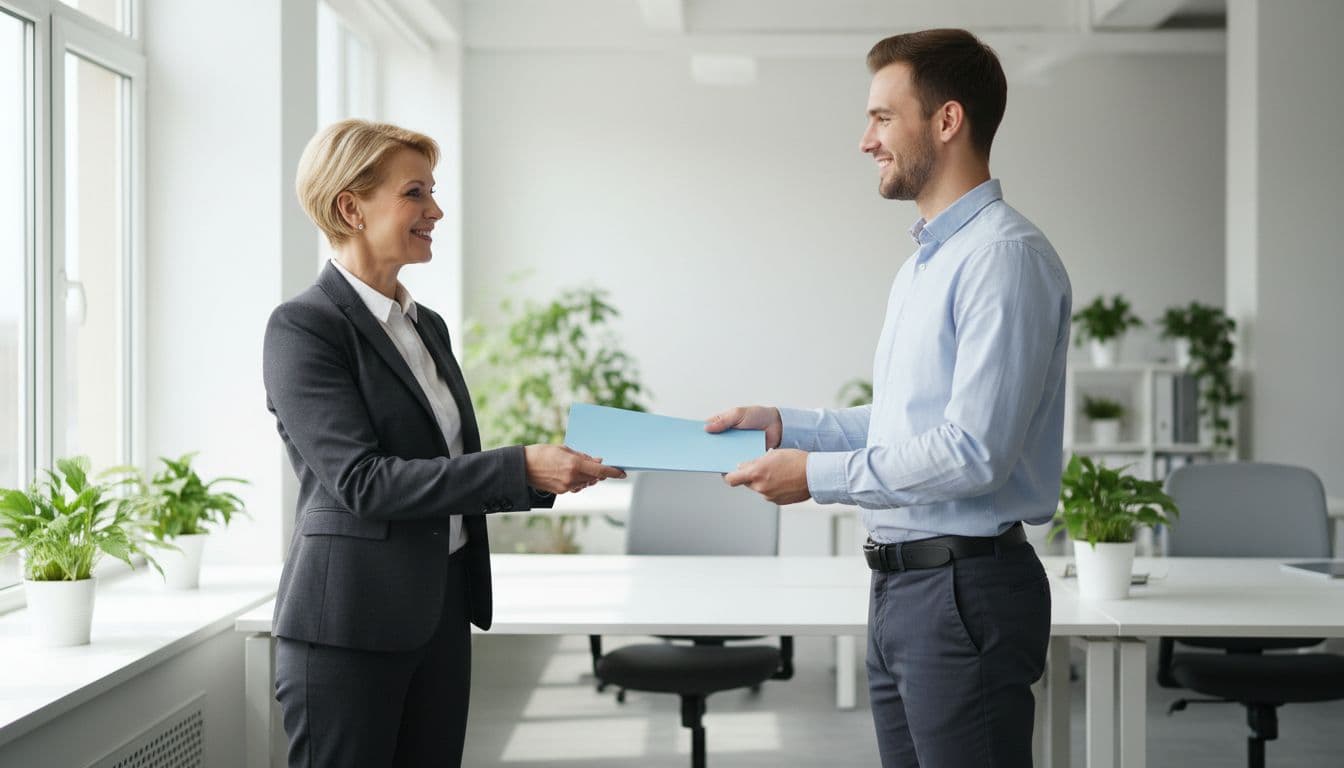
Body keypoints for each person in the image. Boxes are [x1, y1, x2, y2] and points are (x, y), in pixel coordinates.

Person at [707, 29, 1071, 768]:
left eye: (881, 116)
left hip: (963, 593)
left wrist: (814, 478)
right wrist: (787, 426)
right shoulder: (925, 266)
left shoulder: (1003, 259)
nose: (865, 140)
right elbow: (908, 424)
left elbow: (973, 453)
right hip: (905, 592)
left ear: (946, 120)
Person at [262, 118, 624, 768]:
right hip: (350, 630)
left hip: (438, 613)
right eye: (415, 193)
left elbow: (443, 468)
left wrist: (545, 472)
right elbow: (364, 484)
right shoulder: (304, 328)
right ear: (351, 206)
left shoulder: (424, 326)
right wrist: (521, 468)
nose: (436, 210)